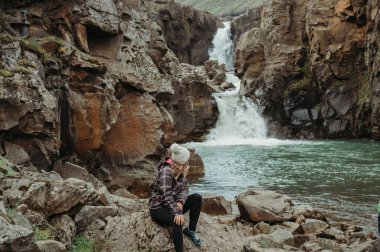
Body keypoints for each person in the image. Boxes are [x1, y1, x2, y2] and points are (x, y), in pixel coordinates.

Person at [149, 143, 202, 252]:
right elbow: (166, 196)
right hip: (159, 207)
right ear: (181, 163)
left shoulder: (181, 171)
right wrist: (177, 212)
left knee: (197, 198)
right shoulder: (165, 172)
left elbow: (185, 189)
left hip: (172, 204)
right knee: (178, 221)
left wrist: (180, 202)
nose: (188, 163)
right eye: (186, 161)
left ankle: (190, 231)